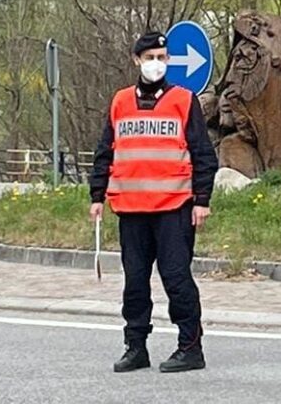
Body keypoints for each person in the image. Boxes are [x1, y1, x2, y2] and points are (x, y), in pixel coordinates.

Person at [89, 32, 219, 373]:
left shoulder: (184, 100)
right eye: (150, 57)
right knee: (134, 282)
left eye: (162, 57)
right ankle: (136, 347)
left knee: (177, 279)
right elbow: (105, 151)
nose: (156, 63)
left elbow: (203, 154)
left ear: (169, 60)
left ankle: (190, 348)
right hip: (131, 208)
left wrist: (202, 200)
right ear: (137, 60)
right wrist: (96, 195)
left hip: (174, 206)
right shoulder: (120, 101)